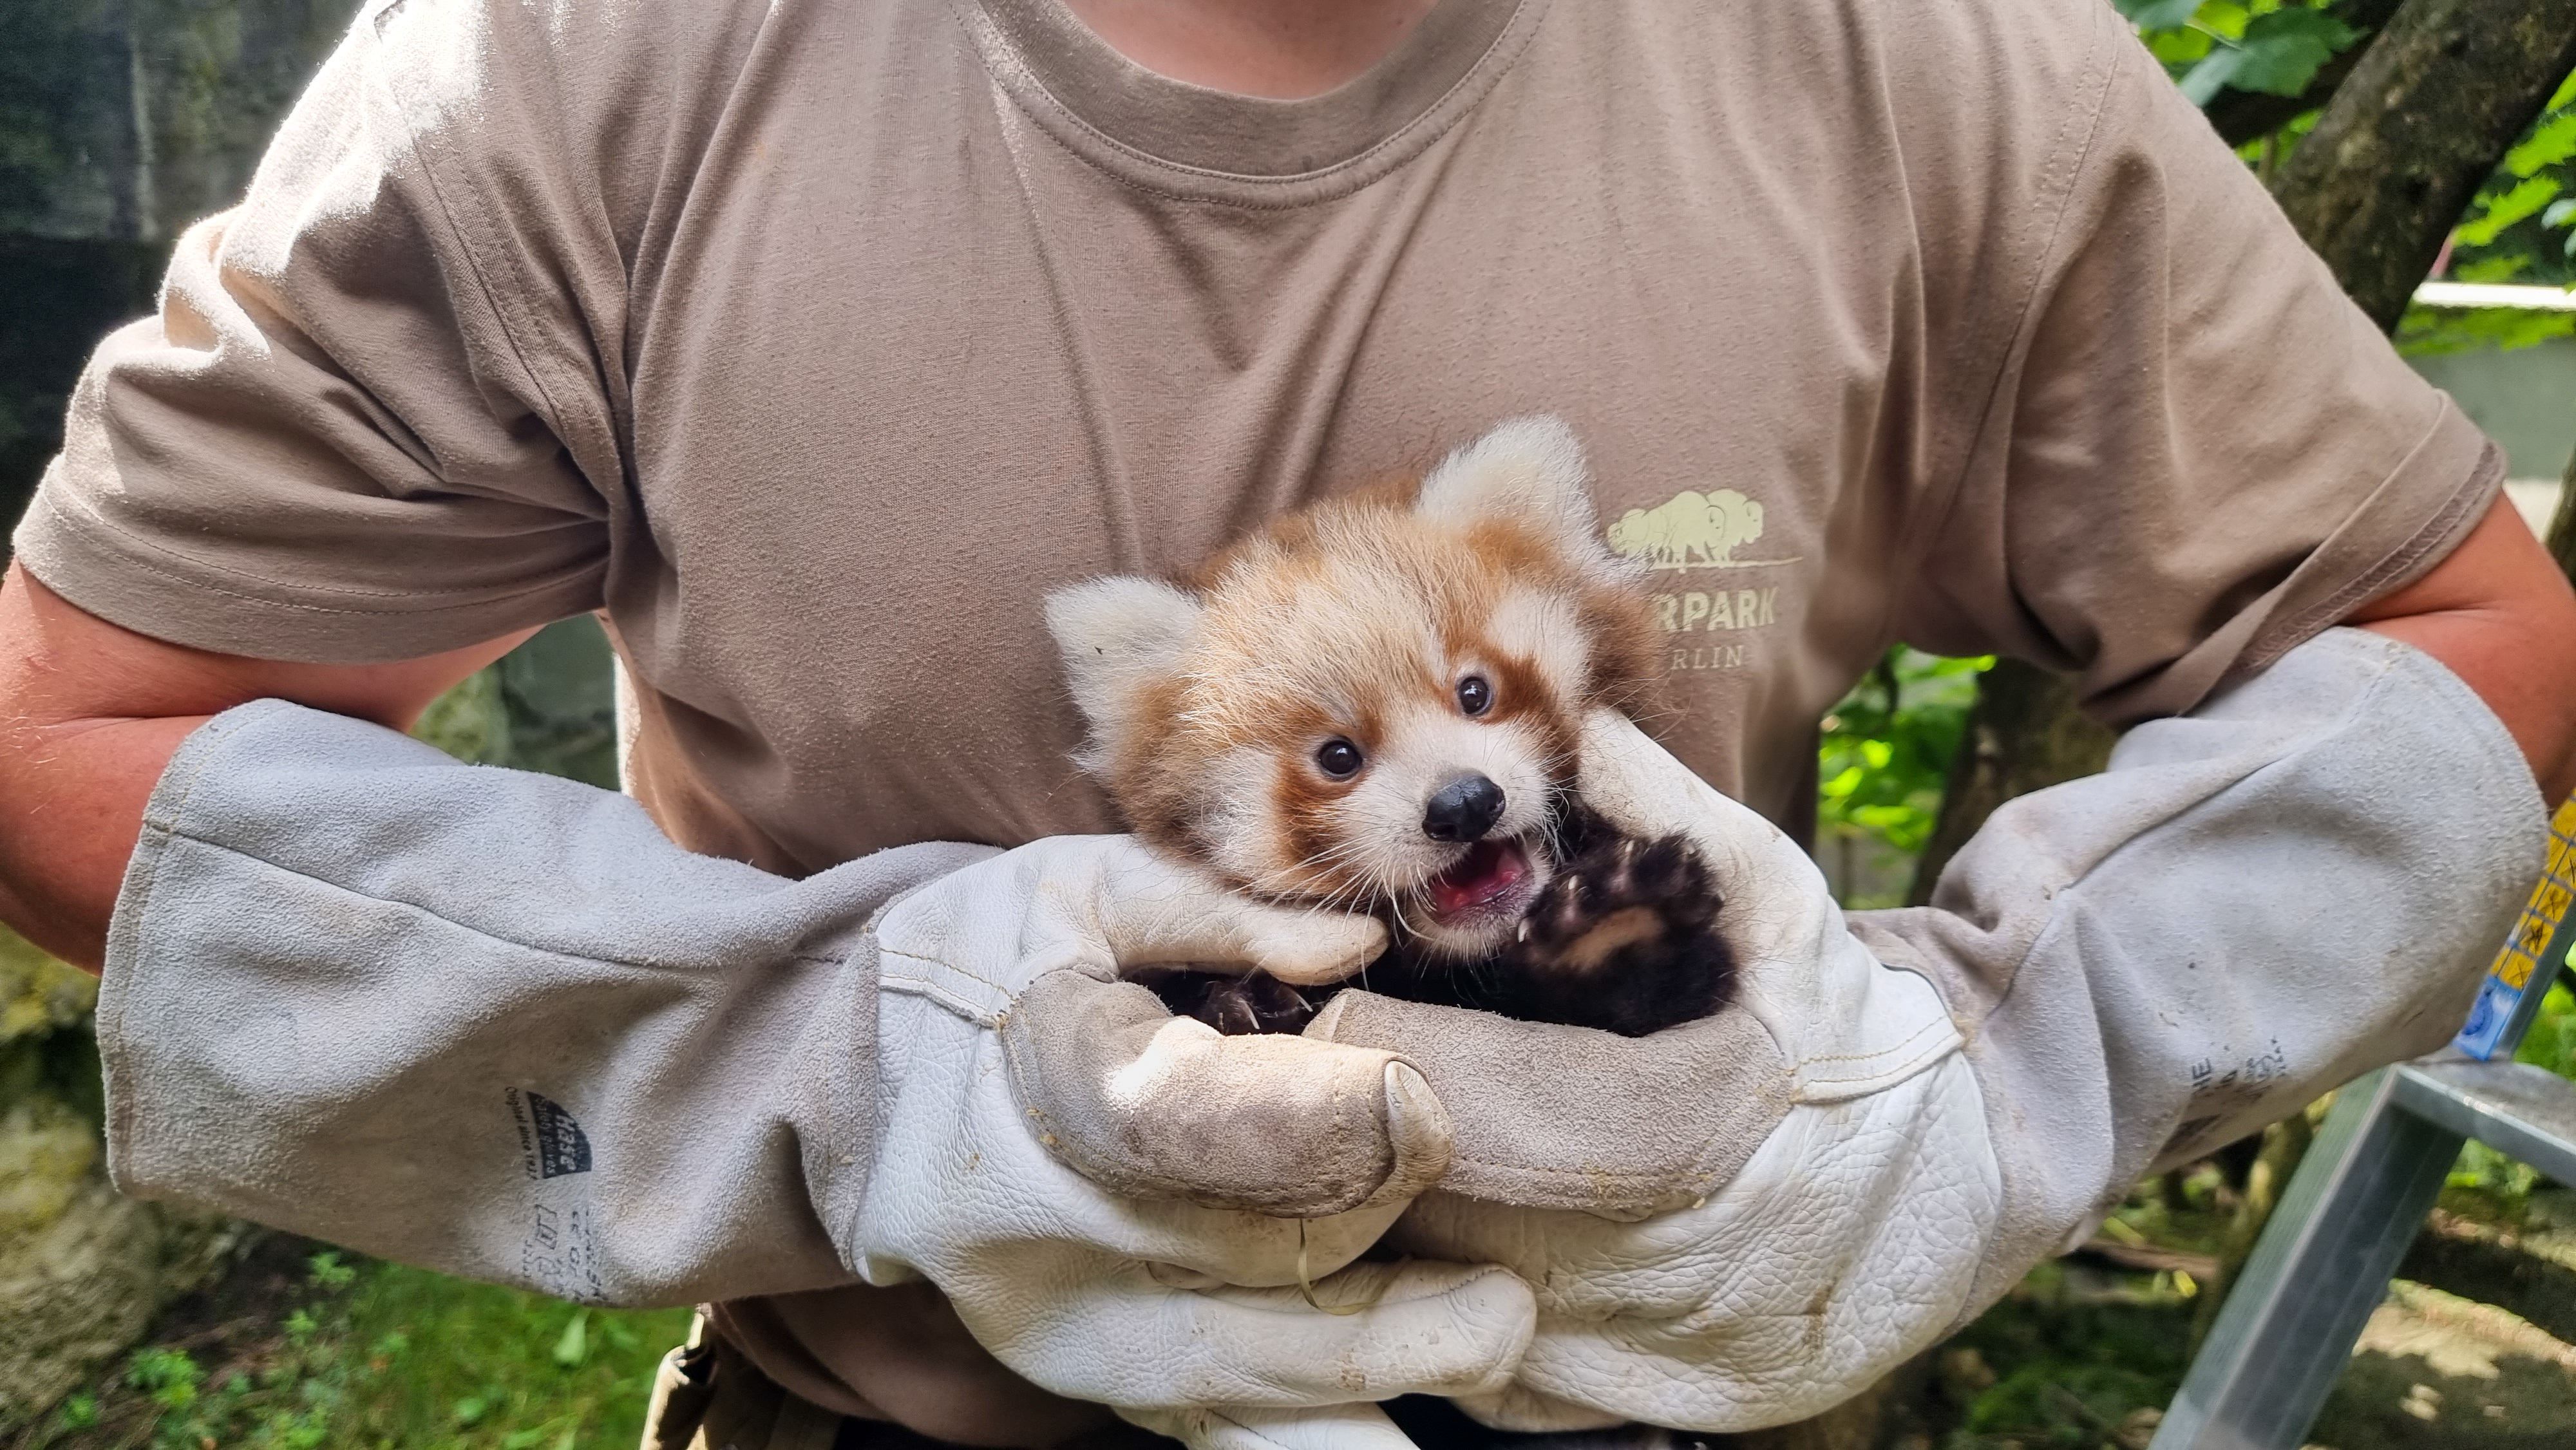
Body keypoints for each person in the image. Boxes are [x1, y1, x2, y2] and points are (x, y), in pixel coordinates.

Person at [5, 0, 2573, 1446]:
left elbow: (2469, 636)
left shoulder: (1921, 64)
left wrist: (1988, 1077)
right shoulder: (575, 65)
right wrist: (835, 1069)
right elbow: (74, 728)